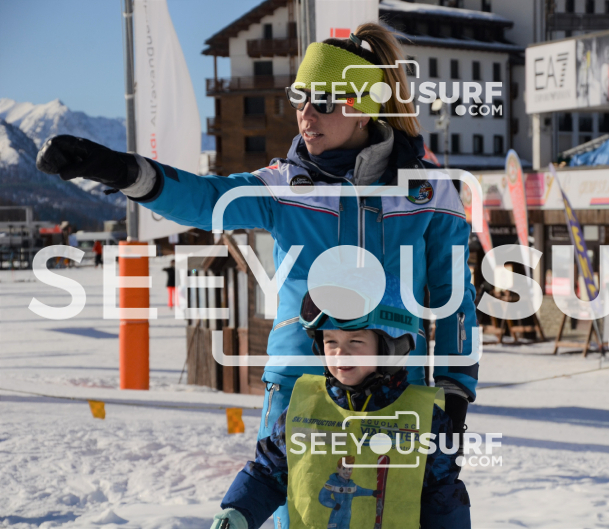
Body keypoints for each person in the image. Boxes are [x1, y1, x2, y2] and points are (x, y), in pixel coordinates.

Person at [35, 23, 477, 528]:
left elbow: (455, 298)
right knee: (301, 515)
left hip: (399, 391)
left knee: (396, 515)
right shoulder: (283, 186)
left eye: (323, 102)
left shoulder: (428, 191)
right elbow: (204, 199)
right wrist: (116, 168)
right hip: (299, 389)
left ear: (362, 108)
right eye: (298, 98)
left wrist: (456, 387)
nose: (306, 115)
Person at [210, 279, 470, 529]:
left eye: (355, 342)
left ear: (392, 345)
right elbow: (268, 473)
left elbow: (442, 497)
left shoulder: (424, 418)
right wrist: (237, 513)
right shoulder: (305, 408)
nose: (339, 353)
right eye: (330, 342)